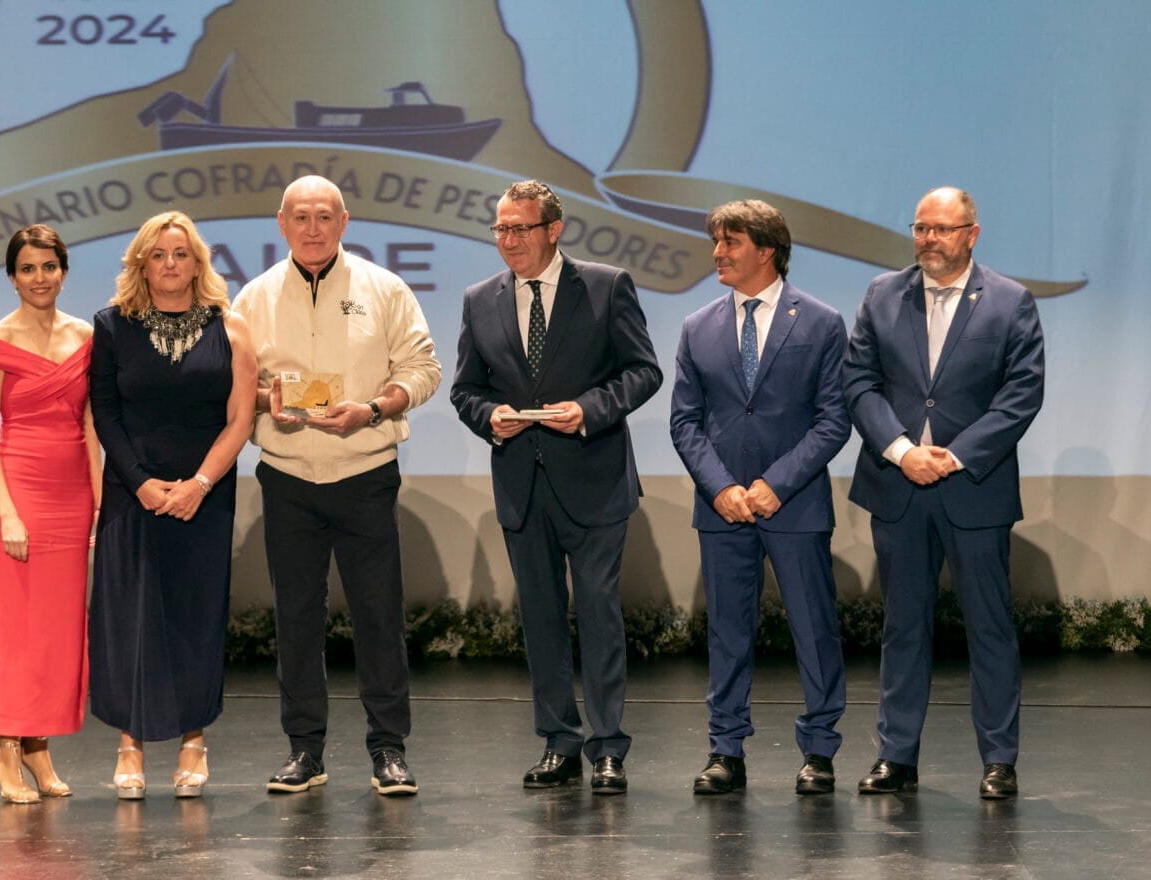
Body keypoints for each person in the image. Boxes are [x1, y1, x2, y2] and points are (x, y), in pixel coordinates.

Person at [450, 179, 662, 794]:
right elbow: (466, 389)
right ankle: (558, 742)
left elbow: (644, 370)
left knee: (599, 616)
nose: (509, 240)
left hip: (593, 478)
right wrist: (490, 417)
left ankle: (608, 747)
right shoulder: (478, 299)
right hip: (522, 482)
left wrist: (590, 410)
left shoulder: (604, 284)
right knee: (541, 620)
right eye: (501, 229)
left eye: (520, 228)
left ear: (553, 230)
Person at [233, 175, 440, 797]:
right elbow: (236, 391)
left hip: (365, 473)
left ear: (344, 222)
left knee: (378, 616)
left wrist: (375, 409)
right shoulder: (254, 297)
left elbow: (423, 367)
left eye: (325, 216)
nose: (314, 227)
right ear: (281, 223)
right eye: (302, 216)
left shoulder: (385, 288)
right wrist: (267, 408)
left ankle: (389, 749)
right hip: (289, 475)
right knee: (296, 618)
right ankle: (305, 750)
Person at [844, 187, 1044, 799]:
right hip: (898, 484)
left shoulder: (1010, 302)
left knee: (989, 626)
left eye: (942, 229)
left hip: (973, 487)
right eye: (921, 228)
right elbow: (858, 381)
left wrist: (953, 456)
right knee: (904, 626)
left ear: (972, 234)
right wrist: (903, 450)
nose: (929, 239)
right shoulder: (883, 294)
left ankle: (998, 759)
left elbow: (1021, 394)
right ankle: (897, 757)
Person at [669, 200, 850, 796]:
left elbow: (833, 420)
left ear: (766, 250)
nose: (717, 252)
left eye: (730, 242)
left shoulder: (821, 323)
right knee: (727, 631)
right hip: (722, 509)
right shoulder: (698, 326)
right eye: (716, 241)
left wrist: (776, 484)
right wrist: (721, 488)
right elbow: (685, 422)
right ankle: (725, 750)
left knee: (814, 629)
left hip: (793, 505)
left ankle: (819, 752)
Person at [88, 211, 256, 799]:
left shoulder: (230, 328)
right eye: (158, 254)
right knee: (131, 616)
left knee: (194, 615)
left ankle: (193, 739)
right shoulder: (111, 326)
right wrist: (140, 483)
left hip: (204, 496)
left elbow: (240, 420)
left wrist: (200, 484)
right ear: (141, 262)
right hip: (133, 494)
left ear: (197, 262)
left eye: (180, 254)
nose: (169, 264)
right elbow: (104, 412)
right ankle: (130, 743)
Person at [0, 225, 99, 804]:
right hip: (19, 490)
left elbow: (92, 427)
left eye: (49, 266)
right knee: (24, 626)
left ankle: (37, 746)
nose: (39, 278)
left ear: (64, 271)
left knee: (59, 629)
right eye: (27, 268)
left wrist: (99, 503)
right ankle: (5, 744)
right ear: (12, 276)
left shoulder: (85, 337)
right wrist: (8, 513)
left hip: (72, 491)